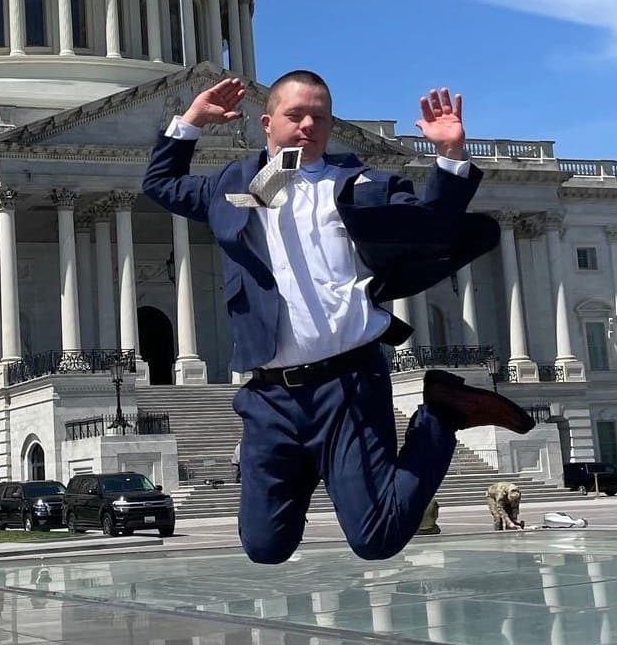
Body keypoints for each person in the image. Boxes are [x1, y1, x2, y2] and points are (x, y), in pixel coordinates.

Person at [143, 72, 534, 565]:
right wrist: (191, 122)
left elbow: (434, 223)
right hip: (270, 395)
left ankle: (441, 416)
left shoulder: (362, 184)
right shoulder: (237, 186)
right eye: (295, 115)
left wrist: (451, 156)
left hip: (347, 383)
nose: (308, 125)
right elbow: (160, 185)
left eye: (320, 117)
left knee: (376, 539)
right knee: (265, 546)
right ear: (267, 123)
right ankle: (307, 468)